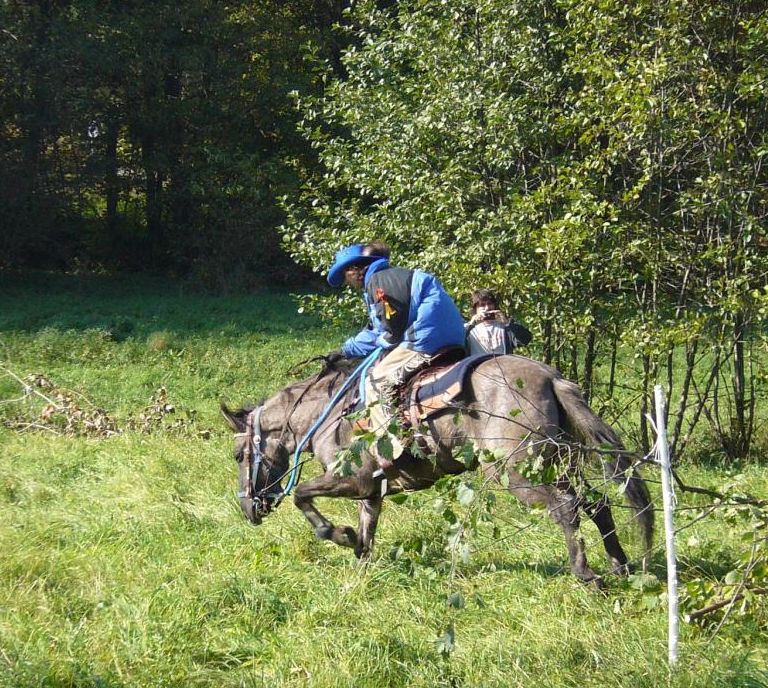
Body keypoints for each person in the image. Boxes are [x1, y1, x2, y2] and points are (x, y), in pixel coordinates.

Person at [328, 242, 465, 463]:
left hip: (427, 337)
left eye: (345, 275)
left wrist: (377, 342)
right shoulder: (391, 277)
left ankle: (394, 449)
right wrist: (346, 348)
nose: (347, 281)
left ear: (355, 270)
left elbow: (392, 332)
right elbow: (377, 330)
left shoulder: (378, 282)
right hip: (451, 334)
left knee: (376, 380)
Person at [464, 288, 532, 356]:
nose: (487, 308)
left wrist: (507, 323)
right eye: (482, 305)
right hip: (478, 365)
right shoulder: (468, 328)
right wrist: (471, 324)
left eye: (490, 304)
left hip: (504, 364)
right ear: (475, 308)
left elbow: (526, 339)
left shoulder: (506, 326)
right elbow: (457, 344)